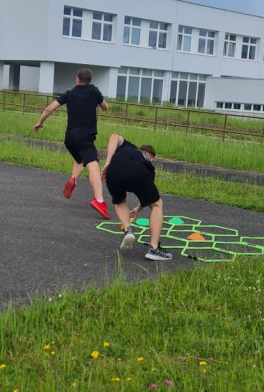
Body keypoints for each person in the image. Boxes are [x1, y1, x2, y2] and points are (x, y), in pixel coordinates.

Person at [33, 67, 110, 219]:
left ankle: (73, 179)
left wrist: (39, 123)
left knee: (80, 160)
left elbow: (49, 108)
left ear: (77, 80)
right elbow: (105, 107)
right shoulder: (94, 91)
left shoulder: (69, 92)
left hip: (70, 138)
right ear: (89, 80)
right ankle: (99, 200)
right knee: (93, 166)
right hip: (85, 137)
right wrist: (99, 104)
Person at [100, 134, 172, 260]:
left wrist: (107, 163)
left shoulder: (128, 146)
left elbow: (114, 137)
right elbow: (149, 199)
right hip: (137, 171)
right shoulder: (148, 165)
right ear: (152, 158)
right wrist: (139, 208)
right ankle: (154, 248)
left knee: (119, 202)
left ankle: (128, 230)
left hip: (113, 171)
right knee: (157, 205)